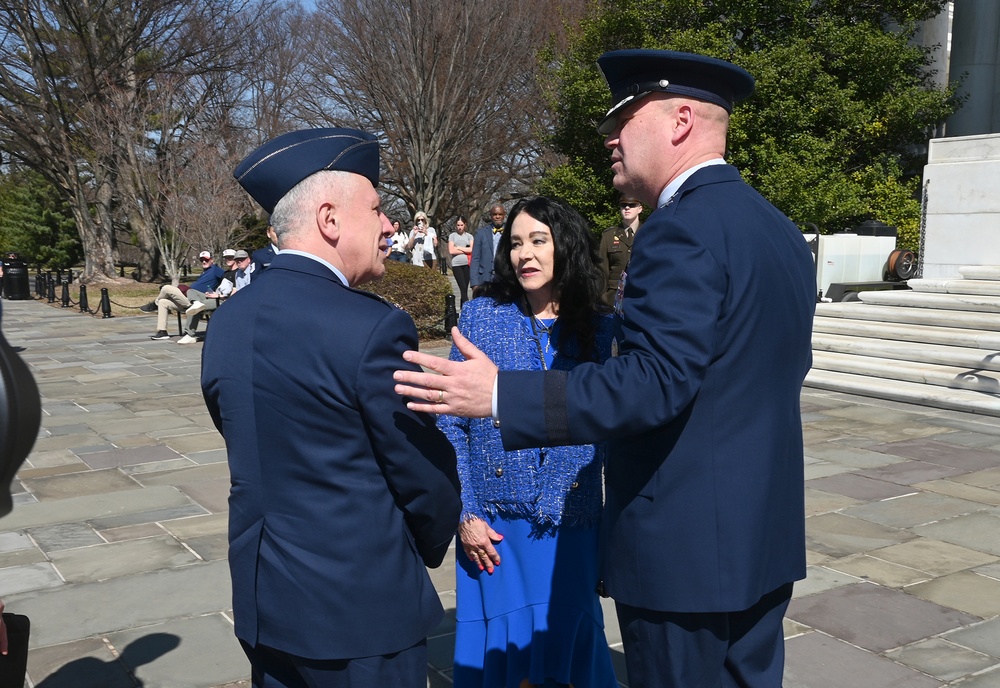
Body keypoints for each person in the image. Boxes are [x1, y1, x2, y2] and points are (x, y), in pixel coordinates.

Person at [393, 49, 817, 688]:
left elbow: (654, 381)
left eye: (623, 117)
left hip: (686, 552)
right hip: (761, 537)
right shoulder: (776, 228)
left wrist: (502, 393)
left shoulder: (680, 230)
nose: (609, 137)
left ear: (679, 121)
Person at [202, 127, 461, 687]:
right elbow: (422, 471)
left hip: (264, 601)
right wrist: (424, 540)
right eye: (376, 207)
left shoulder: (227, 320)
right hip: (360, 612)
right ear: (329, 219)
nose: (389, 224)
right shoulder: (372, 327)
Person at [440, 196, 617, 688]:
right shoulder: (481, 318)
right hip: (493, 529)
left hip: (571, 524)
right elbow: (448, 424)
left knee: (568, 659)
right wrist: (466, 511)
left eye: (539, 241)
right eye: (516, 242)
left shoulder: (601, 329)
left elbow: (617, 427)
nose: (525, 254)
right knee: (502, 665)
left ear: (567, 247)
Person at [147, 251, 224, 341]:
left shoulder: (215, 269)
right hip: (188, 299)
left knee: (166, 288)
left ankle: (154, 304)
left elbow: (228, 276)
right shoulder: (204, 272)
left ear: (212, 260)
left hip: (199, 301)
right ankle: (162, 332)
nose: (204, 261)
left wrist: (222, 293)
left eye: (206, 260)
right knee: (163, 302)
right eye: (202, 260)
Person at [596, 197, 643, 307]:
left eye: (632, 205)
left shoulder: (648, 233)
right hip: (612, 299)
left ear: (640, 209)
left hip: (640, 298)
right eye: (623, 205)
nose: (627, 207)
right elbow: (602, 270)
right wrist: (601, 298)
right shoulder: (609, 236)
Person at [470, 204, 506, 293]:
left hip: (504, 278)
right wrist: (474, 284)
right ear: (491, 216)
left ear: (504, 215)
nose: (497, 217)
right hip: (485, 278)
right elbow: (475, 259)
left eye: (500, 214)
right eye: (495, 214)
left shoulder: (511, 232)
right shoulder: (481, 233)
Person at [448, 215, 474, 307]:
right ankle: (467, 306)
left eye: (461, 225)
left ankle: (463, 308)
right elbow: (451, 250)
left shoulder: (469, 236)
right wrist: (465, 249)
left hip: (467, 263)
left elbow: (471, 249)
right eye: (458, 225)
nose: (459, 227)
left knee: (465, 288)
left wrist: (458, 247)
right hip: (456, 264)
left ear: (465, 225)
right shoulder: (452, 236)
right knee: (462, 287)